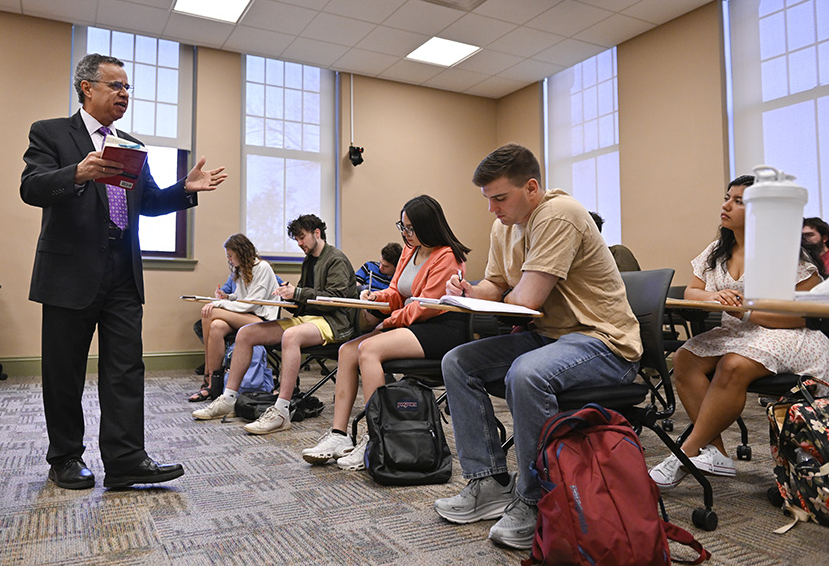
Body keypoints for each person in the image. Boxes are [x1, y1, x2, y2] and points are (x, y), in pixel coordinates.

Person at [20, 53, 227, 490]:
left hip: (122, 272)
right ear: (86, 88)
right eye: (115, 86)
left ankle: (126, 460)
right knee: (65, 372)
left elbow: (146, 203)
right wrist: (76, 173)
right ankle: (65, 458)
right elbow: (31, 187)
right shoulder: (52, 132)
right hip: (69, 272)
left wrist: (183, 191)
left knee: (126, 369)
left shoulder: (130, 145)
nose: (124, 94)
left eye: (128, 87)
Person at [433, 143, 642, 549]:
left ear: (531, 188)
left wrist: (494, 297)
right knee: (458, 362)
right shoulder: (503, 226)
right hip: (554, 337)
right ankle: (489, 482)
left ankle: (538, 499)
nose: (492, 209)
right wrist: (467, 290)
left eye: (499, 198)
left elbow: (525, 300)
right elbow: (495, 285)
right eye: (487, 199)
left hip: (605, 342)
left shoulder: (560, 213)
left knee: (526, 373)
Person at [649, 175, 829, 489]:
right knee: (685, 358)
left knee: (732, 364)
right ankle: (715, 453)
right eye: (727, 197)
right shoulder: (718, 250)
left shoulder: (786, 251)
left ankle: (686, 451)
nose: (726, 205)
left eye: (738, 201)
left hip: (790, 335)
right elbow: (693, 291)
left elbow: (804, 315)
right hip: (739, 333)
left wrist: (744, 309)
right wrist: (713, 297)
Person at [302, 195, 470, 470]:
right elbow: (396, 292)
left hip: (441, 327)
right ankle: (338, 435)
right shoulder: (409, 249)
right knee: (347, 351)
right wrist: (375, 297)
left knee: (369, 349)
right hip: (412, 323)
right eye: (402, 227)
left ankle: (374, 436)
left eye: (411, 228)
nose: (405, 233)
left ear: (428, 226)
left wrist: (389, 322)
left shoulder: (447, 256)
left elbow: (425, 306)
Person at [191, 214, 358, 434]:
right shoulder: (309, 260)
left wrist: (296, 293)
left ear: (317, 233)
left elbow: (333, 299)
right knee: (246, 333)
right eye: (296, 239)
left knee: (291, 336)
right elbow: (308, 301)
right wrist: (289, 298)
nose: (299, 243)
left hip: (334, 322)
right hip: (310, 319)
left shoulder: (335, 259)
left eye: (301, 237)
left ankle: (281, 411)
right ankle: (228, 398)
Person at [189, 233, 280, 402]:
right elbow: (240, 297)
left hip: (263, 321)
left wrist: (218, 304)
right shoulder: (242, 270)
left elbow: (251, 304)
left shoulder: (263, 268)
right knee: (216, 326)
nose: (229, 260)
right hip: (247, 316)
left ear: (241, 252)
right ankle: (214, 386)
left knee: (210, 312)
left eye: (230, 255)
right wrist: (227, 297)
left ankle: (208, 381)